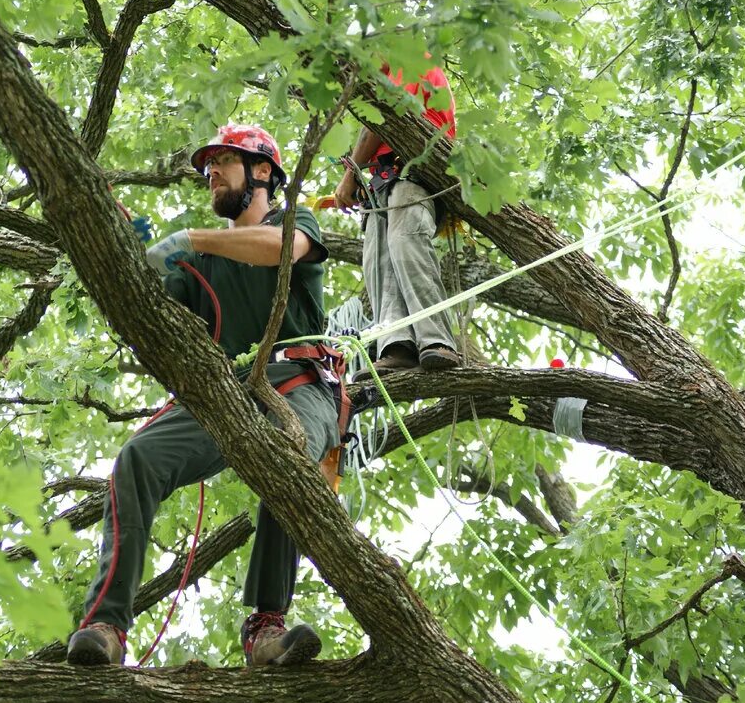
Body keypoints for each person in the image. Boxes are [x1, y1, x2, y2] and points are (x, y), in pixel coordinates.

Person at [66, 123, 341, 668]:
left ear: (262, 171)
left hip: (298, 383)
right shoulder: (199, 267)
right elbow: (152, 308)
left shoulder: (291, 221)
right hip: (226, 394)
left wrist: (189, 240)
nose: (210, 173)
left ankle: (266, 626)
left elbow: (278, 250)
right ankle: (105, 623)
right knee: (138, 457)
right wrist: (124, 247)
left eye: (223, 162)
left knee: (290, 453)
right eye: (207, 165)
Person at [333, 57, 461, 375]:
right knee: (377, 261)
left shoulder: (411, 60)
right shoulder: (384, 74)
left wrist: (351, 173)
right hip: (385, 178)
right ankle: (397, 346)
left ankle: (436, 340)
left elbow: (387, 117)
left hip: (414, 171)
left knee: (406, 245)